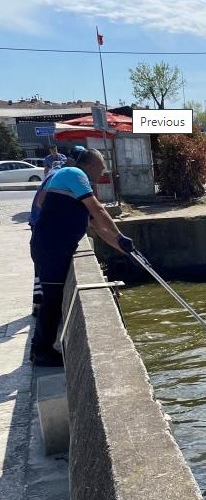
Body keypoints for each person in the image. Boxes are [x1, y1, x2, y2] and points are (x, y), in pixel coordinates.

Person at [30, 148, 135, 367]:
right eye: (101, 166)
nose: (103, 171)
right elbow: (98, 211)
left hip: (52, 246)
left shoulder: (66, 179)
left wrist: (122, 247)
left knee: (52, 298)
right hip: (53, 248)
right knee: (51, 300)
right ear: (90, 166)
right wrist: (121, 235)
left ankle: (40, 348)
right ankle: (41, 351)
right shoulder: (75, 175)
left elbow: (97, 226)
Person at [28, 146, 86, 316]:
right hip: (43, 226)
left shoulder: (57, 171)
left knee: (41, 270)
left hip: (40, 224)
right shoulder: (64, 174)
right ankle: (41, 307)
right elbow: (41, 202)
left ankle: (38, 304)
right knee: (44, 269)